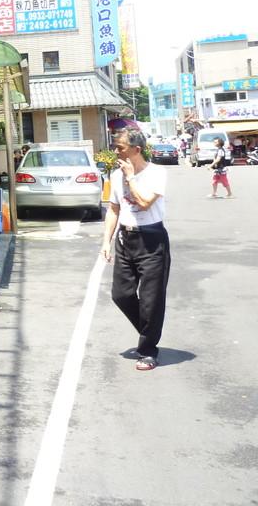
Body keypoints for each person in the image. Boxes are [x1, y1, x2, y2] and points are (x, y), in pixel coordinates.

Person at [99, 128, 170, 371]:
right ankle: (149, 330)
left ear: (136, 150)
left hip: (152, 240)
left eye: (120, 148)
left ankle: (148, 350)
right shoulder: (115, 175)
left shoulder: (156, 173)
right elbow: (114, 209)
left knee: (151, 300)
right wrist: (106, 242)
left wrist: (130, 178)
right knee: (121, 295)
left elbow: (145, 203)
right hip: (126, 238)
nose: (116, 152)